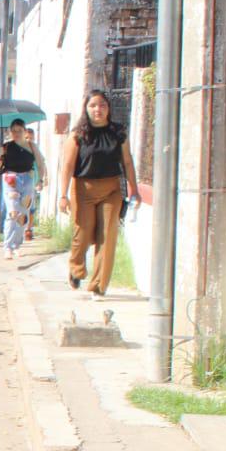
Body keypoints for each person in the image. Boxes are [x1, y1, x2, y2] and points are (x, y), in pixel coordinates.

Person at [58, 89, 138, 296]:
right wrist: (63, 195)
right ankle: (76, 268)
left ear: (108, 108)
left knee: (107, 237)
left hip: (111, 189)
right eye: (93, 105)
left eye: (102, 105)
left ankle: (98, 286)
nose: (98, 109)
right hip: (83, 189)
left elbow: (127, 161)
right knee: (83, 234)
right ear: (86, 108)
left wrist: (134, 190)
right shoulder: (77, 135)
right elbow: (67, 166)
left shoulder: (118, 133)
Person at [0, 119, 40, 259]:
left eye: (19, 130)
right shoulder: (6, 147)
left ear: (24, 131)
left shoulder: (31, 146)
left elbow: (40, 163)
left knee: (23, 215)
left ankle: (17, 245)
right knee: (13, 213)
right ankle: (7, 246)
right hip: (11, 180)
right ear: (10, 132)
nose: (16, 133)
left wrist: (41, 179)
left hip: (27, 180)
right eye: (14, 131)